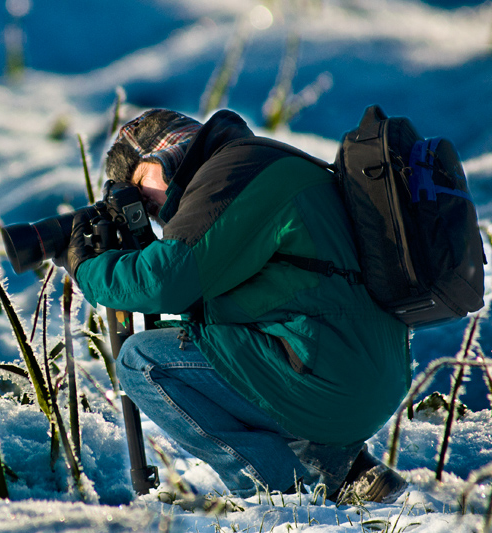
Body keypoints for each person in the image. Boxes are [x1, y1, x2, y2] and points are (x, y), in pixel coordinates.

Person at [55, 108, 410, 502]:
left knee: (142, 360)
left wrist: (87, 267)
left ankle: (274, 494)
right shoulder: (259, 162)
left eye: (140, 184)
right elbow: (199, 302)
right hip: (367, 373)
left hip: (327, 375)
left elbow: (164, 281)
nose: (143, 203)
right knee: (201, 346)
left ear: (161, 155)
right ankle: (345, 468)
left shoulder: (229, 178)